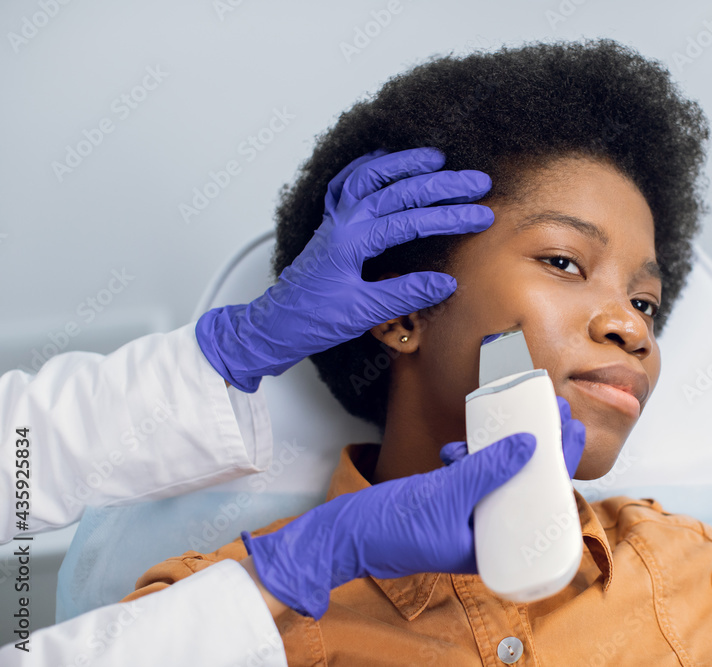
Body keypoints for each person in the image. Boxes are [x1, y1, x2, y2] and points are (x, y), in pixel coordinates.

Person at [121, 39, 712, 665]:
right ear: (400, 310)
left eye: (646, 302)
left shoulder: (704, 581)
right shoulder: (218, 617)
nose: (633, 329)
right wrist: (295, 568)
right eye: (566, 261)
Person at [0, 149, 497, 665]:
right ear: (404, 320)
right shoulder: (248, 609)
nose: (594, 319)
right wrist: (295, 568)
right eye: (562, 263)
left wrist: (238, 347)